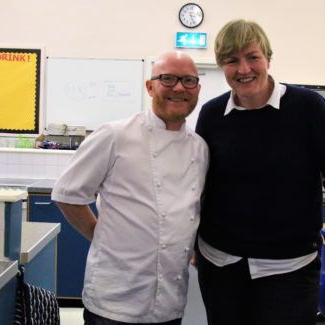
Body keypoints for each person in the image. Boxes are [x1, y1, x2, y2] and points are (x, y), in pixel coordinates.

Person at [194, 19, 325, 325]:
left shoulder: (307, 108)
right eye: (232, 60)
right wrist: (191, 241)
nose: (244, 69)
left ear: (268, 59)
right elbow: (200, 187)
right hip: (220, 265)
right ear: (222, 66)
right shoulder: (211, 115)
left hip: (290, 269)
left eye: (252, 57)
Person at [51, 51, 209, 325]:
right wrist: (99, 235)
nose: (179, 88)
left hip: (170, 301)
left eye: (188, 80)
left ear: (197, 89)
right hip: (115, 299)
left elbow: (192, 210)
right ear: (150, 86)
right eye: (168, 79)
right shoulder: (115, 135)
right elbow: (67, 193)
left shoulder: (200, 148)